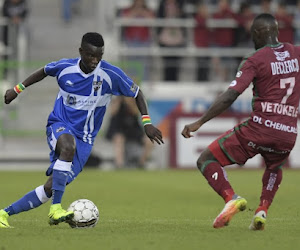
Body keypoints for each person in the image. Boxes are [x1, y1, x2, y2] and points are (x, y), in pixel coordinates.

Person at [0, 32, 164, 228]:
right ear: (81, 52)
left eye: (99, 56)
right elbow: (44, 70)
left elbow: (137, 92)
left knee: (51, 187)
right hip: (59, 123)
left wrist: (147, 122)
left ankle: (4, 213)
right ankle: (56, 209)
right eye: (91, 55)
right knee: (68, 146)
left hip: (85, 140)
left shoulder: (110, 75)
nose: (95, 61)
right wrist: (17, 89)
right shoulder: (65, 67)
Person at [182, 13, 300, 230]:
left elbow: (231, 95)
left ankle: (231, 198)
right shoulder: (296, 52)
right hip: (288, 132)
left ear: (257, 34)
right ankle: (262, 211)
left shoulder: (255, 59)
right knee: (274, 166)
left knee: (206, 159)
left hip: (260, 129)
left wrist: (200, 122)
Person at [106, 96, 153, 168]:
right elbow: (113, 112)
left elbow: (136, 112)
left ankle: (141, 164)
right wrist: (119, 100)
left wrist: (129, 101)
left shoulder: (133, 99)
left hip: (132, 128)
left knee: (149, 140)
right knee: (119, 139)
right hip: (118, 127)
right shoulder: (117, 99)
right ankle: (119, 165)